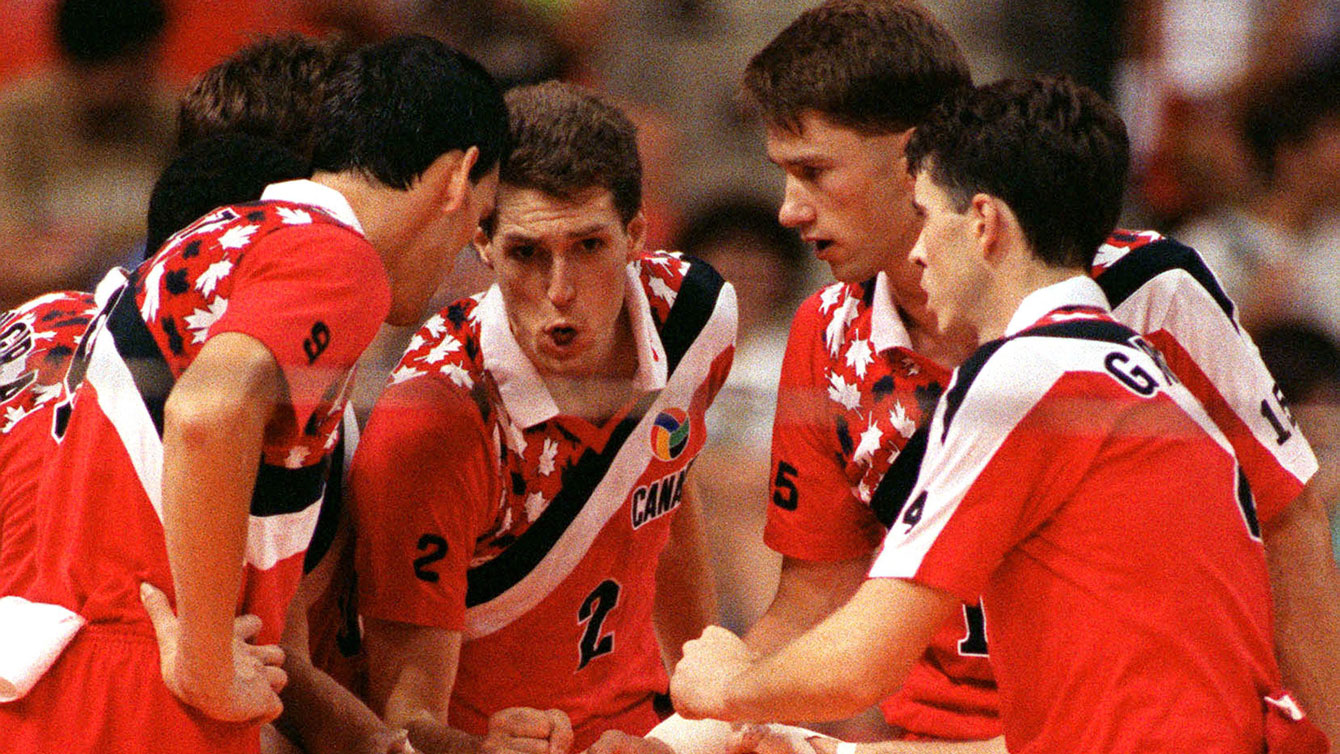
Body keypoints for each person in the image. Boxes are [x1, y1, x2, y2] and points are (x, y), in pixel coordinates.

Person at [726, 1, 1338, 749]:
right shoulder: (827, 333)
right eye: (782, 174)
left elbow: (1288, 515)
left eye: (814, 171)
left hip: (1117, 729)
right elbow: (815, 597)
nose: (788, 210)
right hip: (937, 740)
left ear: (919, 158)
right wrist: (695, 720)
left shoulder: (1149, 289)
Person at [0, 34, 508, 754]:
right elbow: (209, 413)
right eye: (480, 221)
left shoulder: (231, 234)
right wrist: (206, 660)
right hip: (142, 686)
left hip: (54, 676)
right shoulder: (337, 255)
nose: (465, 250)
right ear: (458, 179)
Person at [348, 80, 736, 754]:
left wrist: (697, 714)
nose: (560, 292)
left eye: (589, 246)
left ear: (637, 233)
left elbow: (668, 488)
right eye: (528, 253)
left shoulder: (697, 317)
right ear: (484, 245)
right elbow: (401, 721)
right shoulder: (433, 419)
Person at [0, 0, 176, 310]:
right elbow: (10, 266)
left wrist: (81, 251)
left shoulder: (174, 118)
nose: (143, 75)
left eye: (142, 61)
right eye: (129, 62)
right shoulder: (18, 117)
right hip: (36, 328)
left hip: (144, 325)